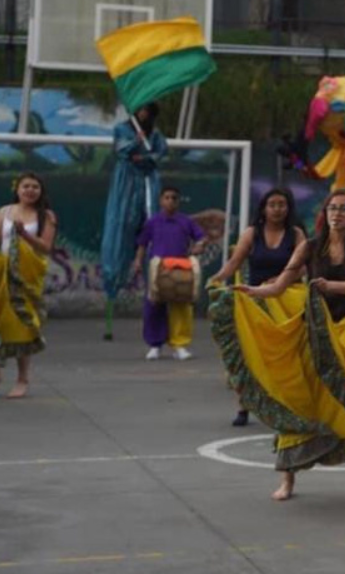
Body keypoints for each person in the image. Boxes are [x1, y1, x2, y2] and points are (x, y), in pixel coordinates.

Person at [212, 188, 345, 501]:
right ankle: (288, 480)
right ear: (325, 213)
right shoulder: (309, 247)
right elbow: (281, 284)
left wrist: (331, 285)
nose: (336, 214)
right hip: (315, 335)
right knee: (302, 403)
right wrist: (251, 292)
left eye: (343, 210)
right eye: (332, 208)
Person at [209, 187, 307, 426]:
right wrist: (216, 280)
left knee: (288, 356)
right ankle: (243, 407)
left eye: (281, 204)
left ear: (288, 208)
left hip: (288, 301)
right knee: (250, 355)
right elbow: (234, 262)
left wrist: (283, 279)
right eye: (272, 204)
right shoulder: (252, 233)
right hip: (254, 302)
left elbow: (304, 267)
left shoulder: (296, 234)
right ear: (263, 208)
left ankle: (291, 406)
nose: (277, 209)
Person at [0, 173, 57, 398]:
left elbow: (45, 248)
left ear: (41, 191)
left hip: (25, 279)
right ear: (17, 189)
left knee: (23, 325)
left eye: (35, 187)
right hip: (0, 274)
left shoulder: (46, 216)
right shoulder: (5, 211)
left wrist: (24, 235)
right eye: (26, 186)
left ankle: (22, 378)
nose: (30, 190)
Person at [101, 103, 167, 310]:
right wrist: (134, 143)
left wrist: (145, 157)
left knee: (150, 224)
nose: (143, 114)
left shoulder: (155, 134)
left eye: (147, 110)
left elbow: (160, 153)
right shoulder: (122, 129)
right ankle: (113, 283)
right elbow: (120, 150)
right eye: (141, 110)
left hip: (147, 180)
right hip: (126, 181)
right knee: (121, 224)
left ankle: (153, 286)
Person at [133, 186, 206, 361]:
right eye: (167, 197)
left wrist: (199, 246)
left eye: (174, 198)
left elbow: (201, 238)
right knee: (153, 306)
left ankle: (179, 345)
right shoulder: (152, 222)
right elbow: (142, 243)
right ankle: (155, 345)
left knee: (181, 307)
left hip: (180, 268)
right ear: (160, 200)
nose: (170, 201)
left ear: (178, 201)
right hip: (158, 269)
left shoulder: (186, 221)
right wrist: (137, 261)